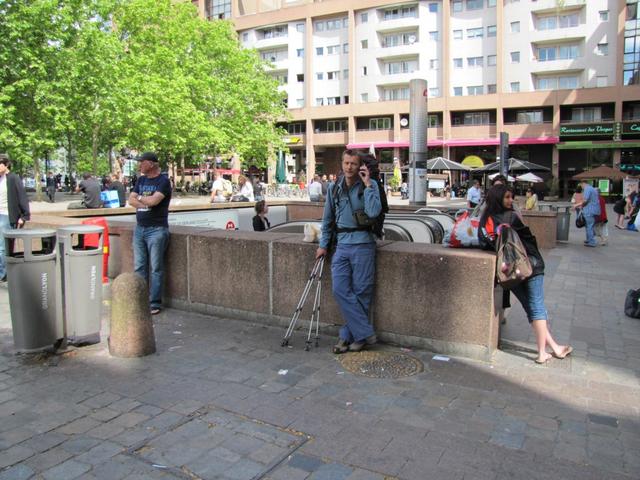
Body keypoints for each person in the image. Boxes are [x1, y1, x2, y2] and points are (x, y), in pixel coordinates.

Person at [479, 184, 572, 364]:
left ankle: (555, 347)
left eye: (511, 197)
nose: (511, 200)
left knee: (531, 308)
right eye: (507, 197)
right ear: (499, 198)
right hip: (531, 266)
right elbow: (529, 239)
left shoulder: (485, 220)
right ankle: (542, 353)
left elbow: (485, 243)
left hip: (509, 273)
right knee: (537, 307)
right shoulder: (512, 217)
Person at [316, 150, 382, 354]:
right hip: (342, 245)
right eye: (346, 163)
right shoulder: (334, 187)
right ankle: (364, 332)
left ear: (360, 165)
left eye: (353, 163)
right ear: (342, 163)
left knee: (361, 292)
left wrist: (369, 184)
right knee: (339, 289)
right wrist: (323, 244)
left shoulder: (371, 185)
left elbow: (373, 212)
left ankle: (347, 337)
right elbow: (327, 220)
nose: (349, 167)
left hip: (364, 244)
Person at [128, 152, 172, 315]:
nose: (139, 165)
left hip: (157, 229)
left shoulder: (163, 181)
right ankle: (141, 299)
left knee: (156, 267)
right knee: (139, 266)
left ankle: (154, 302)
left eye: (142, 162)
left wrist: (140, 199)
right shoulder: (141, 180)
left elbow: (154, 201)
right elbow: (130, 200)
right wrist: (145, 201)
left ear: (152, 164)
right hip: (140, 228)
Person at [0, 155, 30, 283]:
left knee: (2, 246)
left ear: (6, 165)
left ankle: (3, 273)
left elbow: (22, 196)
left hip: (7, 215)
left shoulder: (13, 178)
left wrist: (24, 216)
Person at [579, 179, 601, 247]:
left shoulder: (587, 189)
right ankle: (589, 239)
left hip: (589, 211)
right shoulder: (592, 188)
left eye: (581, 185)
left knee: (589, 226)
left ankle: (591, 241)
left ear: (583, 183)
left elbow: (585, 200)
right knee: (589, 225)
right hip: (594, 210)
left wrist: (576, 205)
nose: (581, 187)